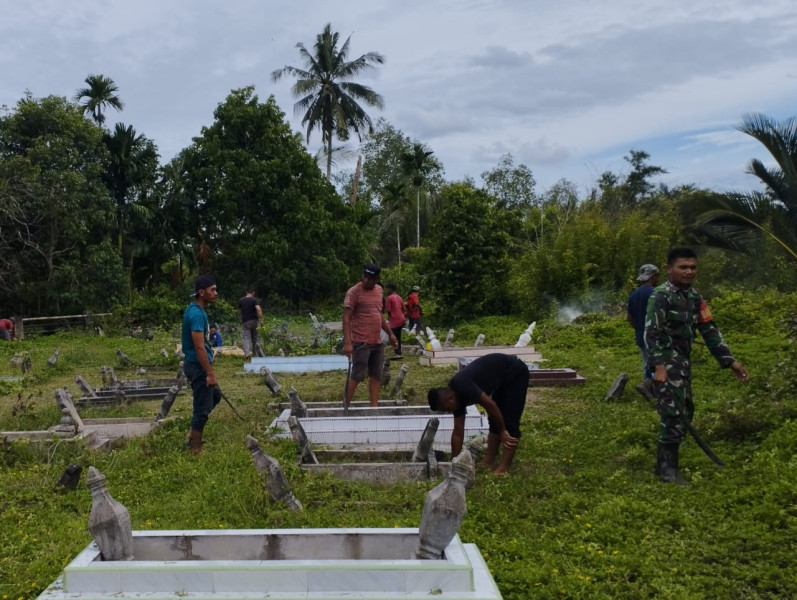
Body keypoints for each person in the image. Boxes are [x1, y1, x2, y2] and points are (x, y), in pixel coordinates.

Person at [645, 247, 748, 485]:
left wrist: (729, 360)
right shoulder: (660, 296)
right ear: (669, 268)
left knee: (685, 409)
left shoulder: (695, 297)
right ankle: (668, 472)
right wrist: (658, 367)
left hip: (683, 362)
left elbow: (709, 329)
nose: (689, 271)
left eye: (693, 267)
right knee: (673, 412)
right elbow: (650, 334)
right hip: (667, 362)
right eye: (683, 267)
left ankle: (662, 465)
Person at [427, 353, 529, 475]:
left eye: (448, 408)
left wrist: (502, 431)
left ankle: (504, 467)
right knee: (494, 420)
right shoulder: (455, 400)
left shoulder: (462, 385)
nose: (450, 411)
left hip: (515, 372)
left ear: (451, 398)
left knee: (510, 422)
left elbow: (490, 405)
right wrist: (454, 462)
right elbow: (458, 432)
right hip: (501, 379)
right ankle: (489, 460)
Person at [343, 263, 398, 406]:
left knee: (376, 375)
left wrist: (390, 334)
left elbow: (378, 315)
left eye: (370, 278)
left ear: (377, 279)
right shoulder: (354, 292)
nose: (366, 280)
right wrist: (348, 343)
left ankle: (374, 408)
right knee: (358, 375)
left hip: (377, 342)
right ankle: (345, 406)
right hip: (361, 342)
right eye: (365, 277)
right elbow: (346, 318)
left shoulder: (379, 290)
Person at [182, 274, 222, 455]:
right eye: (212, 290)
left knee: (215, 397)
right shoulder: (197, 314)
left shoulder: (195, 310)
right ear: (201, 292)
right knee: (201, 409)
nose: (216, 293)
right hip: (198, 366)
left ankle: (193, 432)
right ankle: (196, 448)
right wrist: (209, 373)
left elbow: (202, 345)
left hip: (196, 364)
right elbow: (199, 347)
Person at [626, 263, 659, 379]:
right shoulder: (656, 293)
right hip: (656, 338)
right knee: (659, 365)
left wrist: (640, 328)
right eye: (657, 276)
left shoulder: (633, 294)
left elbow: (629, 318)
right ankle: (655, 386)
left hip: (641, 336)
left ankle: (647, 384)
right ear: (652, 277)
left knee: (646, 363)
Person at [238, 286, 263, 359]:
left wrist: (242, 317)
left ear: (246, 292)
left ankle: (247, 354)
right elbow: (258, 309)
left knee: (245, 338)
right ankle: (255, 354)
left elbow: (239, 311)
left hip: (245, 322)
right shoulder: (254, 300)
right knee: (255, 338)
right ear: (253, 293)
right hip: (254, 321)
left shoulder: (241, 300)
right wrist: (261, 320)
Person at [384, 282, 406, 357]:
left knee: (393, 336)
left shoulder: (389, 298)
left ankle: (397, 352)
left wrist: (390, 318)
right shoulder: (399, 297)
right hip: (401, 318)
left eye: (387, 289)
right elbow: (404, 309)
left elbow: (389, 311)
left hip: (394, 319)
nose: (386, 290)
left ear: (390, 289)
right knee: (398, 336)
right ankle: (398, 352)